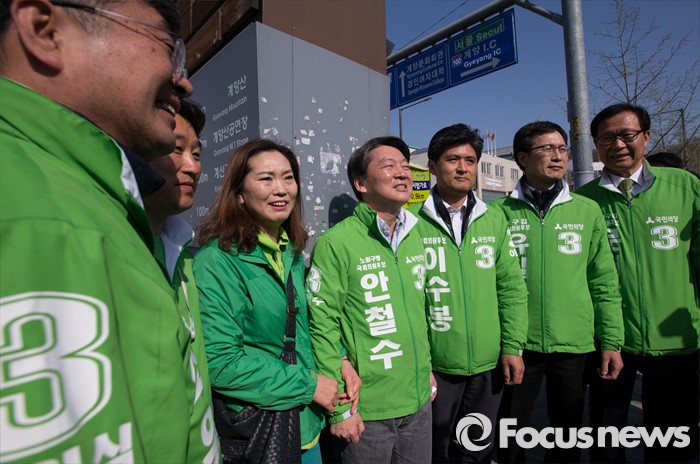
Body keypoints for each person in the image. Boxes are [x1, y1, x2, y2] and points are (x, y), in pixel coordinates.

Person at [0, 0, 201, 462]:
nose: (183, 81)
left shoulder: (115, 209)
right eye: (165, 48)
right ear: (45, 30)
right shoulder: (26, 202)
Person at [193, 139, 360, 463]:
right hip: (261, 428)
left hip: (307, 425)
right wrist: (309, 385)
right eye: (266, 179)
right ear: (239, 193)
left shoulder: (290, 251)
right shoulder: (217, 261)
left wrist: (341, 359)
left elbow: (303, 325)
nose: (281, 189)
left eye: (288, 178)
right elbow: (221, 363)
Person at [492, 121, 624, 463]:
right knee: (509, 431)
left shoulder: (586, 210)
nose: (558, 156)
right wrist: (507, 342)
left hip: (574, 343)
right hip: (517, 344)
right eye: (547, 148)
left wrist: (611, 340)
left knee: (567, 433)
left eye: (562, 148)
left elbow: (603, 281)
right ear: (522, 158)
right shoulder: (496, 214)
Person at [578, 103, 699, 463]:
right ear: (596, 145)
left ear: (645, 136)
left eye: (627, 135)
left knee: (673, 441)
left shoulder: (685, 187)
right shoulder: (584, 202)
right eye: (606, 138)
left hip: (677, 340)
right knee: (607, 437)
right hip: (610, 342)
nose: (618, 144)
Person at [307, 136, 436, 464]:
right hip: (367, 411)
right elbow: (321, 326)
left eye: (405, 166)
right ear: (361, 183)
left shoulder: (416, 235)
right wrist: (340, 409)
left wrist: (425, 369)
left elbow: (417, 314)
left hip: (419, 403)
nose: (403, 173)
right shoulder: (337, 243)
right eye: (389, 166)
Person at [409, 123, 528, 463]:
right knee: (436, 451)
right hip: (435, 366)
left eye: (470, 160)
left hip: (488, 366)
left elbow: (511, 289)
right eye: (452, 159)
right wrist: (419, 362)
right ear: (433, 166)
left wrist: (512, 346)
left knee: (476, 449)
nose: (462, 168)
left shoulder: (493, 219)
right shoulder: (409, 222)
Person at [143, 99, 220, 461]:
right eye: (176, 149)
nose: (192, 166)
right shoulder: (115, 244)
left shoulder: (183, 251)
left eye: (197, 154)